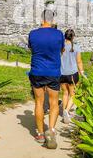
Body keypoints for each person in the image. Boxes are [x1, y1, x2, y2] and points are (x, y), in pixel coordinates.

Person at [28, 10, 65, 149]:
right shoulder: (59, 34)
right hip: (53, 71)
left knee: (39, 102)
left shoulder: (33, 34)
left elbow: (32, 49)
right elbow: (62, 50)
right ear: (52, 19)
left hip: (37, 70)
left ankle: (40, 134)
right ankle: (51, 130)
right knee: (54, 102)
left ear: (41, 18)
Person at [60, 29, 85, 124]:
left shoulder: (60, 47)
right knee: (73, 94)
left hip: (61, 73)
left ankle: (64, 112)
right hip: (72, 74)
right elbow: (79, 61)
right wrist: (82, 71)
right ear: (73, 37)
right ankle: (66, 111)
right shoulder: (76, 47)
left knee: (65, 93)